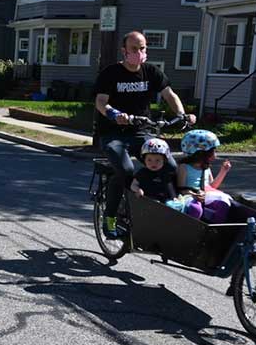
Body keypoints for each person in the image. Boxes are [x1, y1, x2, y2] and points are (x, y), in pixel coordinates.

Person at [94, 30, 196, 237]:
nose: (139, 52)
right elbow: (100, 102)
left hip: (142, 131)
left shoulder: (151, 72)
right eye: (134, 49)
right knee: (125, 169)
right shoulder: (111, 73)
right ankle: (110, 217)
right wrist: (114, 114)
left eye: (142, 48)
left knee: (169, 165)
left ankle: (173, 208)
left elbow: (169, 94)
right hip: (113, 133)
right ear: (124, 51)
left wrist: (182, 115)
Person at [131, 138, 202, 218]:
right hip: (149, 199)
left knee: (174, 206)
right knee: (157, 205)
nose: (153, 163)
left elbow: (170, 186)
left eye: (157, 160)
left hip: (164, 200)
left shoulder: (166, 172)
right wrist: (138, 190)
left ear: (164, 160)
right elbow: (133, 184)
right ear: (144, 160)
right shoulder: (142, 172)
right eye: (149, 160)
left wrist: (174, 197)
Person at [177, 129, 234, 223]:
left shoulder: (205, 167)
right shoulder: (184, 167)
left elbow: (212, 186)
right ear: (200, 153)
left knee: (223, 204)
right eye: (212, 152)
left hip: (204, 194)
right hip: (190, 196)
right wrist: (195, 195)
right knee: (195, 209)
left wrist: (223, 171)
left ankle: (214, 229)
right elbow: (182, 189)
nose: (215, 155)